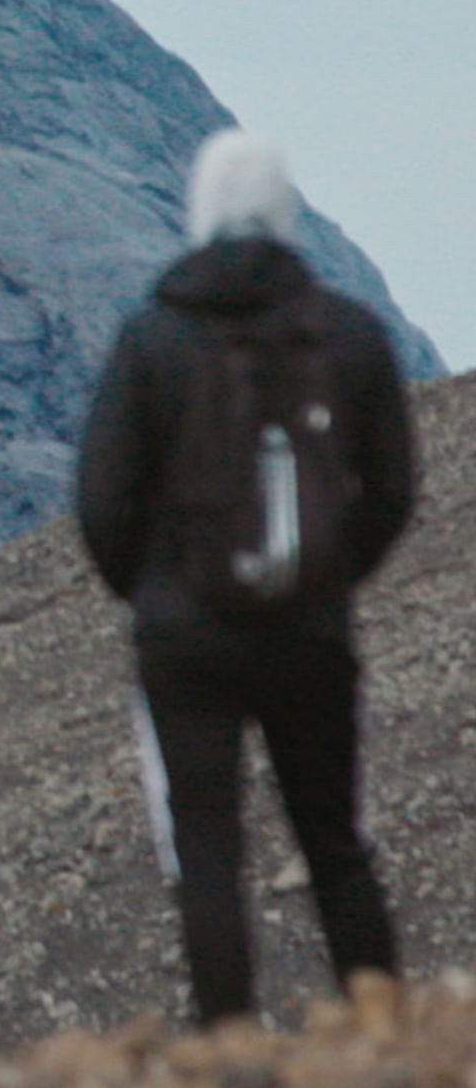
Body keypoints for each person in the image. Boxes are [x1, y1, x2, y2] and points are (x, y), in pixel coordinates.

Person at [77, 129, 419, 1028]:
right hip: (310, 629)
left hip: (187, 636)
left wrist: (159, 594)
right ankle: (383, 1034)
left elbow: (104, 497)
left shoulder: (153, 338)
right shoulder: (347, 334)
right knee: (335, 840)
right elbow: (391, 487)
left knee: (207, 842)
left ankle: (229, 1046)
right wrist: (330, 577)